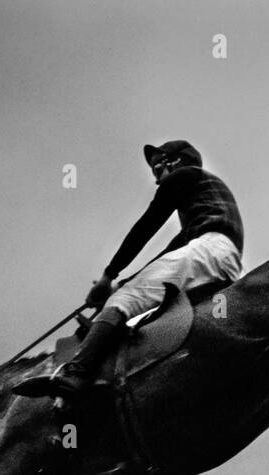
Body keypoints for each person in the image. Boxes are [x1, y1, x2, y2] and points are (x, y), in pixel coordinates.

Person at [15, 139, 245, 400]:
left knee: (123, 301)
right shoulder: (201, 204)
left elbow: (146, 226)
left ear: (175, 161)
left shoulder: (183, 176)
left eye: (158, 168)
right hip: (224, 262)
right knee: (138, 299)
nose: (157, 179)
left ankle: (78, 372)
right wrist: (128, 280)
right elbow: (169, 254)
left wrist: (108, 277)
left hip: (209, 251)